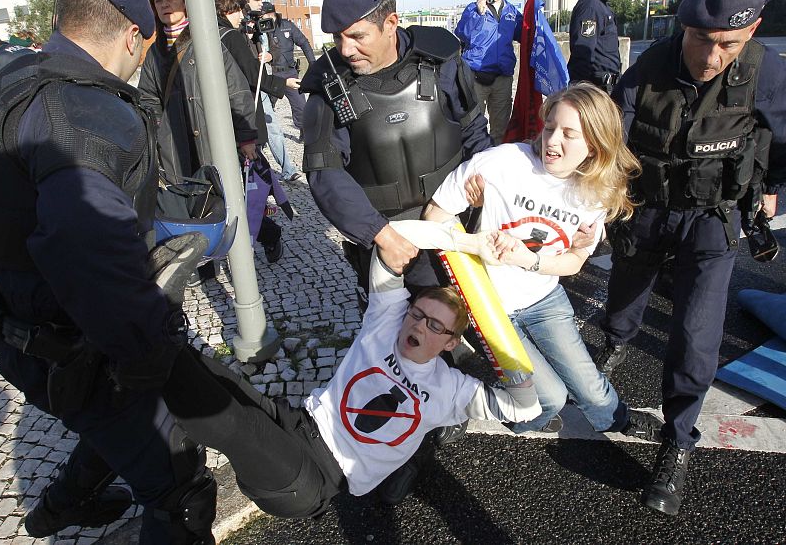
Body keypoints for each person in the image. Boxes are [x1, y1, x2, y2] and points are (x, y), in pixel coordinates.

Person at [0, 0, 216, 543]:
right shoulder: (80, 107)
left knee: (110, 429)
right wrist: (148, 347)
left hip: (30, 330)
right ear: (132, 37)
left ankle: (56, 510)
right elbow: (84, 244)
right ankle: (74, 508)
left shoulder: (16, 81)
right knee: (180, 490)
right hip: (76, 347)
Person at [155, 220, 542, 518]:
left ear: (451, 342)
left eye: (435, 326)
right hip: (297, 421)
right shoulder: (387, 319)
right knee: (223, 383)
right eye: (418, 314)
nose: (419, 326)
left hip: (314, 479)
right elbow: (394, 239)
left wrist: (498, 336)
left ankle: (151, 331)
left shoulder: (452, 389)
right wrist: (468, 243)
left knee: (237, 423)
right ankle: (146, 343)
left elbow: (525, 409)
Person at [594, 0, 786, 516]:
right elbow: (611, 140)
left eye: (726, 43)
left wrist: (772, 190)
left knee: (696, 336)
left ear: (752, 31)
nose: (709, 56)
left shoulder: (765, 72)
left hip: (713, 220)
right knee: (625, 299)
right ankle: (610, 345)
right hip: (649, 209)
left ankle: (676, 443)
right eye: (700, 40)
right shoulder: (651, 65)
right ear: (683, 28)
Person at [423, 83, 662, 443]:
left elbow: (574, 262)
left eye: (569, 134)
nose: (552, 142)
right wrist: (476, 242)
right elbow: (434, 214)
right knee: (548, 399)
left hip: (544, 300)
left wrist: (529, 260)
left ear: (595, 144)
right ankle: (491, 409)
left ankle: (619, 419)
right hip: (491, 307)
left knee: (590, 386)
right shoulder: (502, 163)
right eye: (550, 128)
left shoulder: (596, 190)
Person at [301, 0, 492, 307]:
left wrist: (483, 181)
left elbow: (474, 130)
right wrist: (379, 233)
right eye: (337, 38)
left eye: (357, 36)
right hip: (386, 240)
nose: (344, 50)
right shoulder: (329, 87)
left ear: (390, 23)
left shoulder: (442, 60)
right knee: (396, 339)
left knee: (460, 326)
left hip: (453, 226)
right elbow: (324, 172)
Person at [138, 0, 259, 281]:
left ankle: (242, 257)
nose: (165, 5)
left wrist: (246, 136)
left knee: (223, 198)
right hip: (174, 142)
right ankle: (200, 262)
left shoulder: (206, 40)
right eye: (158, 0)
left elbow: (237, 90)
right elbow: (148, 97)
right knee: (187, 202)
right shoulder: (155, 52)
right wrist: (156, 128)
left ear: (186, 2)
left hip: (211, 136)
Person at [214, 0, 296, 263]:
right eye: (241, 9)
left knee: (225, 186)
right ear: (229, 9)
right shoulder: (230, 37)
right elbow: (252, 72)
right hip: (240, 121)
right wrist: (282, 83)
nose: (244, 15)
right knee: (250, 186)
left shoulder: (204, 36)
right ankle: (268, 233)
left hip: (220, 122)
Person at [236, 0, 301, 183]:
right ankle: (254, 170)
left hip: (262, 85)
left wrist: (270, 55)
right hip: (244, 88)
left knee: (272, 126)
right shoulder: (236, 27)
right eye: (257, 0)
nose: (261, 4)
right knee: (254, 131)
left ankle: (288, 169)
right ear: (245, 1)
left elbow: (276, 48)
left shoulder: (260, 24)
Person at [454, 0, 522, 145]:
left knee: (500, 129)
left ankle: (494, 166)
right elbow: (462, 33)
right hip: (476, 78)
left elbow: (525, 34)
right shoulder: (472, 9)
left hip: (502, 79)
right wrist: (478, 13)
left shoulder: (512, 12)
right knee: (472, 127)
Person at [568, 0, 629, 93]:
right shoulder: (591, 6)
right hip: (595, 88)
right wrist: (581, 94)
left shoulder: (601, 5)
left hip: (604, 87)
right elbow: (582, 52)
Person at [262, 2, 316, 143]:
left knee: (300, 106)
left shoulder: (287, 26)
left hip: (289, 72)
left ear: (270, 14)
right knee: (267, 107)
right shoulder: (260, 30)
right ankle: (265, 137)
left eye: (263, 15)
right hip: (271, 74)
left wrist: (312, 63)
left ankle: (304, 132)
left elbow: (303, 42)